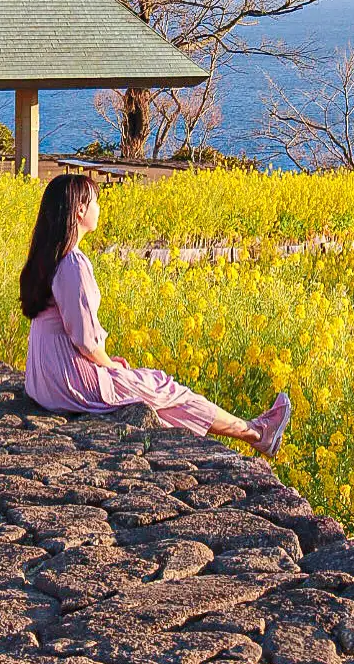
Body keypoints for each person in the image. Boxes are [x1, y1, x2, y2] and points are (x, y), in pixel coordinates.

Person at [20, 173, 291, 457]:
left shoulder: (46, 257)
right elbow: (87, 341)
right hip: (69, 383)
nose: (99, 208)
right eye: (96, 201)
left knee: (153, 399)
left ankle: (256, 432)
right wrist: (111, 366)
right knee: (164, 389)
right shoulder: (73, 263)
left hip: (43, 380)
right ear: (79, 210)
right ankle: (257, 433)